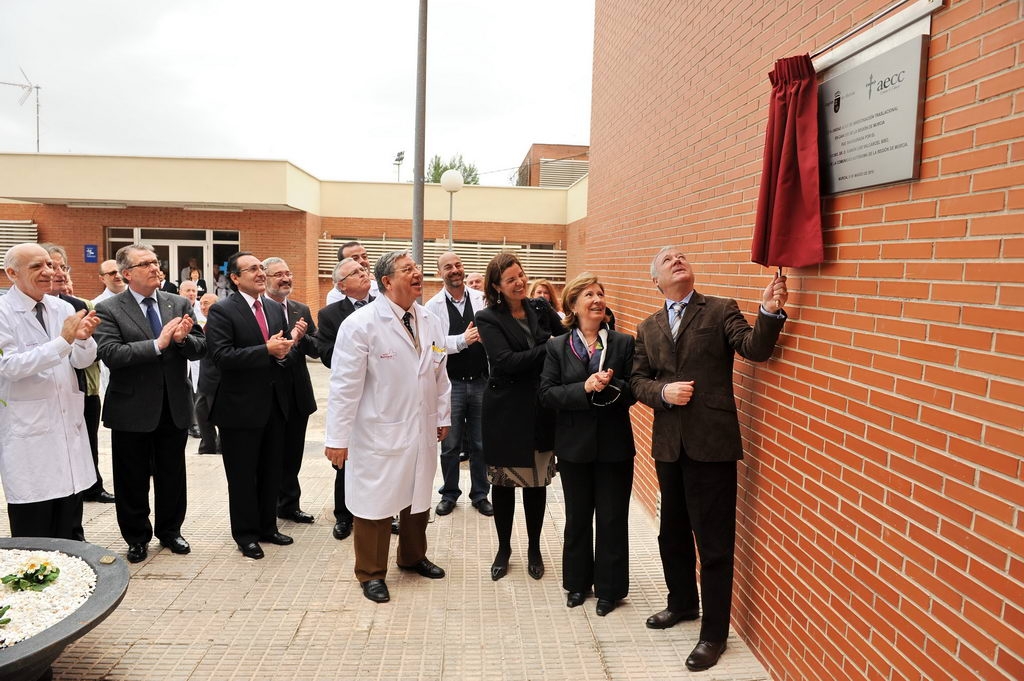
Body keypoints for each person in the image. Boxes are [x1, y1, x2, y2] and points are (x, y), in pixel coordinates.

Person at [629, 246, 788, 672]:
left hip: (713, 445)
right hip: (669, 445)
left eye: (682, 256)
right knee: (672, 534)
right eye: (666, 260)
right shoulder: (648, 327)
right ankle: (681, 603)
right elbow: (637, 381)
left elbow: (754, 349)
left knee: (714, 544)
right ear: (656, 281)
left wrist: (769, 313)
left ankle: (714, 634)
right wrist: (663, 393)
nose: (677, 260)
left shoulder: (720, 310)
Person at [324, 250, 451, 604]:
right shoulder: (361, 324)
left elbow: (440, 371)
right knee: (375, 504)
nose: (417, 273)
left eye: (417, 268)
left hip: (421, 427)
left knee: (418, 497)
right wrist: (337, 438)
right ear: (386, 282)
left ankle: (412, 557)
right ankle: (371, 572)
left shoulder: (430, 320)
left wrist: (443, 416)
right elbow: (344, 387)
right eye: (407, 269)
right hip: (377, 430)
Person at [94, 243, 207, 563]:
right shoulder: (110, 308)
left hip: (174, 404)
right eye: (146, 264)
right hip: (131, 408)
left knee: (173, 474)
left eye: (156, 262)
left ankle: (171, 531)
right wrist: (158, 344)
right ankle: (137, 537)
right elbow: (112, 355)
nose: (156, 268)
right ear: (126, 274)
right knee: (132, 477)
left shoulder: (178, 302)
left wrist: (184, 340)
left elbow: (200, 347)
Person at [539, 273, 636, 616]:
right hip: (574, 446)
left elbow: (633, 390)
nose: (597, 300)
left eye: (601, 294)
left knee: (612, 519)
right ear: (573, 304)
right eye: (589, 295)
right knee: (578, 518)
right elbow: (547, 394)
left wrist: (609, 386)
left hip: (614, 447)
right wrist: (584, 387)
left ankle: (610, 589)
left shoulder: (624, 344)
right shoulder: (556, 346)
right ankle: (577, 584)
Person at [204, 251, 307, 560]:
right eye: (252, 269)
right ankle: (246, 534)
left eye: (262, 268)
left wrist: (283, 351)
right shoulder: (223, 311)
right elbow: (222, 357)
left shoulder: (275, 310)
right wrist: (265, 350)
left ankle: (267, 526)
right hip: (239, 408)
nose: (260, 273)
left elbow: (283, 352)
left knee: (271, 470)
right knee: (243, 475)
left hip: (275, 405)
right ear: (235, 278)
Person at [475, 252, 565, 582]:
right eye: (511, 279)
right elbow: (505, 361)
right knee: (504, 484)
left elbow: (566, 334)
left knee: (536, 482)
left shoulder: (539, 308)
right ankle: (503, 548)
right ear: (496, 286)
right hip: (506, 411)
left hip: (541, 407)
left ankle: (534, 548)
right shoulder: (487, 317)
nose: (520, 282)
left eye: (521, 275)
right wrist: (549, 348)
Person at [0, 243, 100, 539]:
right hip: (28, 435)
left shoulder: (62, 307)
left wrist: (82, 340)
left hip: (66, 428)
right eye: (36, 267)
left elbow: (81, 361)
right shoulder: (4, 312)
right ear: (11, 273)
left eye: (51, 265)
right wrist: (62, 341)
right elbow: (9, 366)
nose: (48, 273)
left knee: (69, 525)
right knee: (35, 532)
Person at [43, 244, 116, 505]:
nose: (58, 272)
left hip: (83, 387)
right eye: (51, 266)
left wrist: (82, 342)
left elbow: (92, 352)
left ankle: (91, 486)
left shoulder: (78, 306)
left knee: (85, 442)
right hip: (43, 397)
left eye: (63, 266)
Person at [425, 251, 492, 517]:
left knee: (480, 443)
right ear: (439, 272)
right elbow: (434, 347)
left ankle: (480, 494)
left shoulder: (482, 300)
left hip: (481, 382)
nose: (454, 270)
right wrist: (462, 340)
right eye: (448, 267)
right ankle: (450, 494)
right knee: (450, 444)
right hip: (450, 384)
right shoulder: (432, 307)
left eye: (458, 265)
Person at [315, 257, 374, 540]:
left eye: (364, 270)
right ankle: (343, 515)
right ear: (341, 285)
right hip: (352, 394)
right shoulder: (330, 315)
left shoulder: (384, 305)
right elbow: (326, 355)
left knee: (379, 458)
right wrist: (355, 352)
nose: (363, 274)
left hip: (381, 395)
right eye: (355, 273)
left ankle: (383, 514)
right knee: (345, 458)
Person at [263, 257, 319, 525]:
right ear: (265, 278)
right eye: (278, 275)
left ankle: (289, 505)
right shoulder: (259, 310)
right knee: (271, 454)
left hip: (297, 393)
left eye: (288, 273)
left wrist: (302, 336)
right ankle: (267, 506)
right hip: (269, 394)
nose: (285, 279)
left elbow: (315, 348)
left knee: (293, 453)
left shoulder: (301, 309)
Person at [193, 293, 220, 455]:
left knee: (219, 418)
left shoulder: (220, 324)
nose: (203, 307)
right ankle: (207, 447)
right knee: (201, 415)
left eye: (207, 303)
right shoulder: (205, 324)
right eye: (201, 304)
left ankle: (219, 448)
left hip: (217, 381)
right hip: (203, 381)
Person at [177, 281, 204, 439]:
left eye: (194, 290)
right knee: (187, 390)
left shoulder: (203, 308)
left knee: (198, 392)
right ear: (180, 292)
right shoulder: (176, 307)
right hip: (184, 357)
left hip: (198, 357)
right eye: (188, 290)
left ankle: (196, 424)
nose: (192, 293)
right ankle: (191, 423)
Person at [325, 240, 378, 305]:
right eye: (355, 258)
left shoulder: (382, 288)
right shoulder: (335, 296)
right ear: (343, 264)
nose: (362, 261)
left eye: (364, 257)